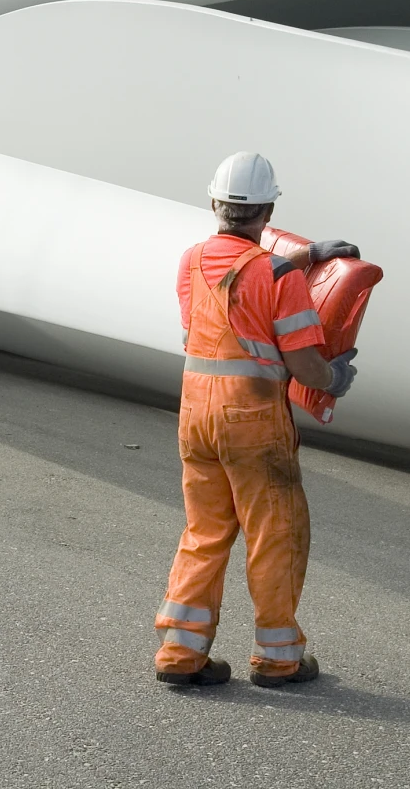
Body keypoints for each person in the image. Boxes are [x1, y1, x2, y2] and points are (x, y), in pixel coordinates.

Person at [154, 152, 359, 689]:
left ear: (215, 203)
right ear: (268, 209)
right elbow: (304, 365)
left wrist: (305, 256)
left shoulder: (191, 260)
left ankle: (180, 651)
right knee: (275, 531)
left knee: (205, 529)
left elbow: (229, 294)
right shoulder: (280, 275)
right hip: (250, 417)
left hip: (196, 412)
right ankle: (277, 658)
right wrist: (333, 378)